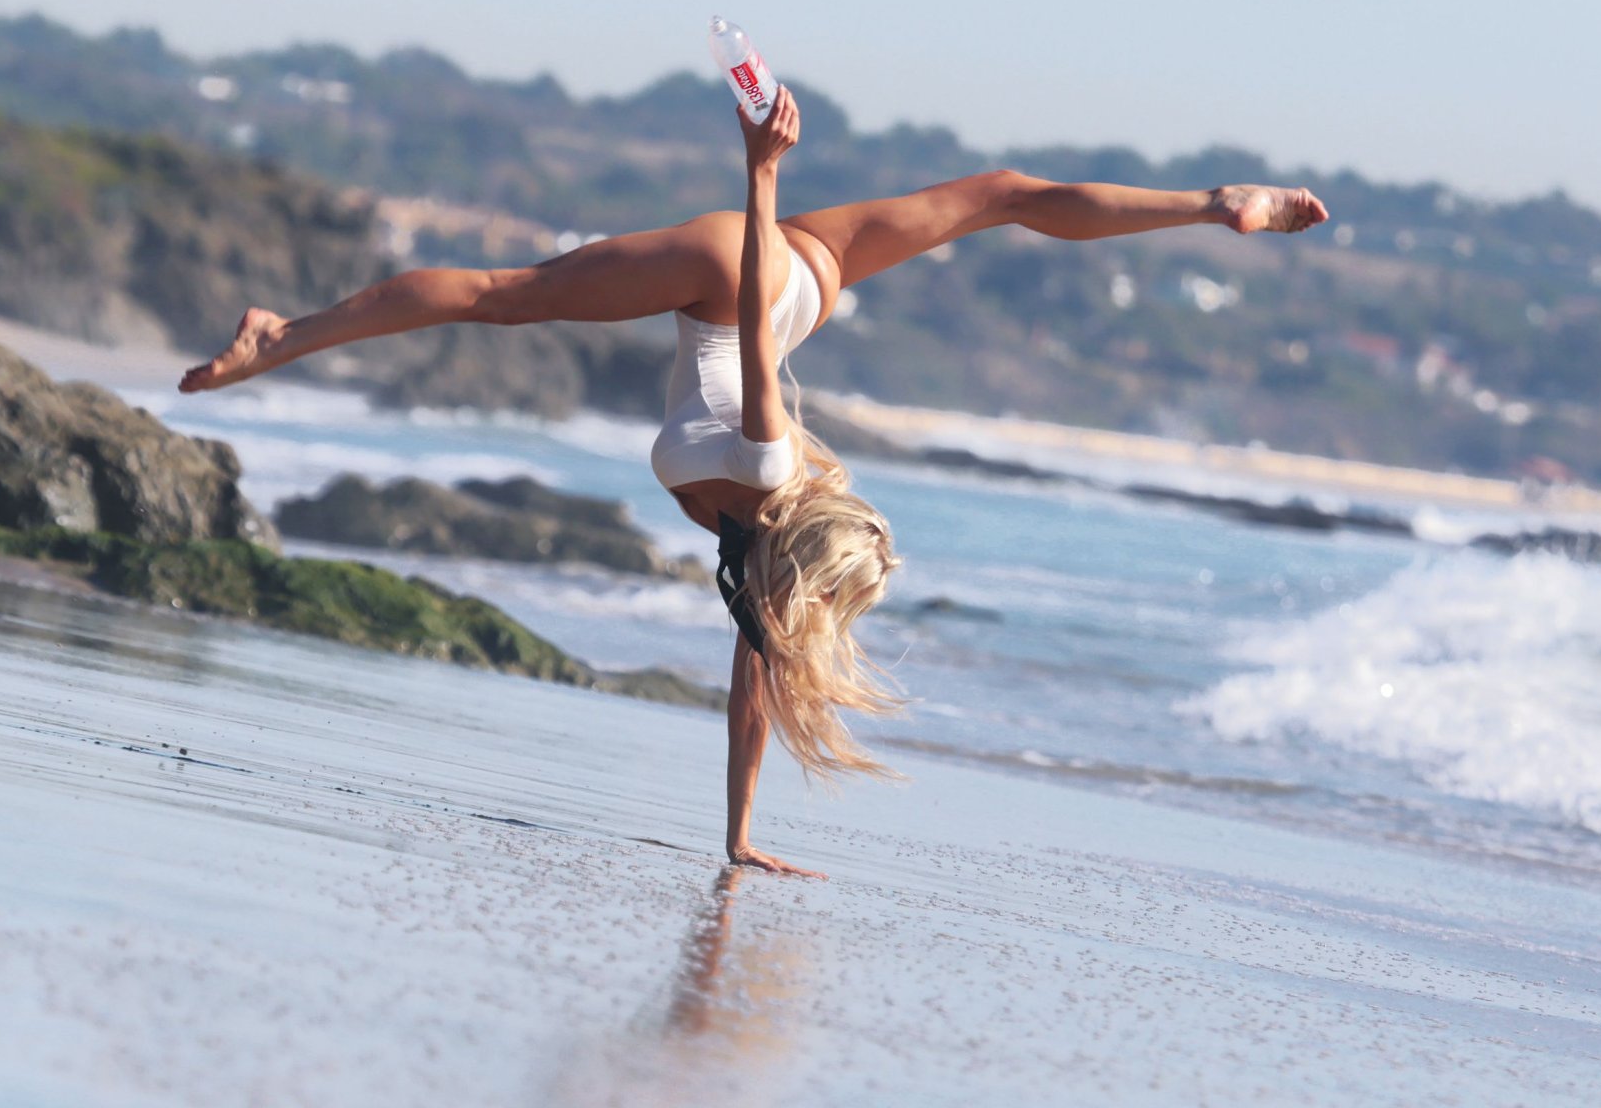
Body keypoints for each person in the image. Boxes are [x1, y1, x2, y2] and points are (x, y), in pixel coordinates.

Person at [179, 88, 1328, 877]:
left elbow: (751, 697)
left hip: (798, 283)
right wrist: (761, 172)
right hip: (748, 272)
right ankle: (281, 335)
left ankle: (1211, 204)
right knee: (500, 294)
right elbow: (746, 324)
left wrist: (738, 835)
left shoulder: (760, 566)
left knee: (1003, 193)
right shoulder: (766, 479)